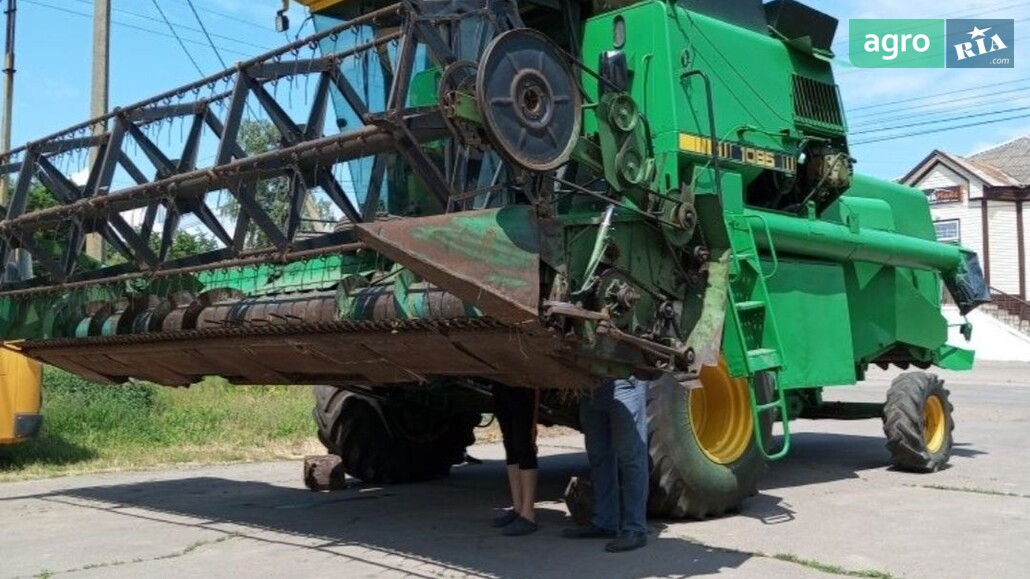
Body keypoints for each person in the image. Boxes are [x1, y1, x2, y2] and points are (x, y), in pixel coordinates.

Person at [562, 376, 649, 552]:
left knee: (630, 456)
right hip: (590, 386)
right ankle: (605, 522)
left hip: (624, 382)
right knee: (599, 455)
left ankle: (635, 528)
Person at [490, 383, 540, 536]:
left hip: (523, 385)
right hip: (502, 385)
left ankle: (528, 514)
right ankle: (518, 508)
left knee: (523, 443)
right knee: (510, 444)